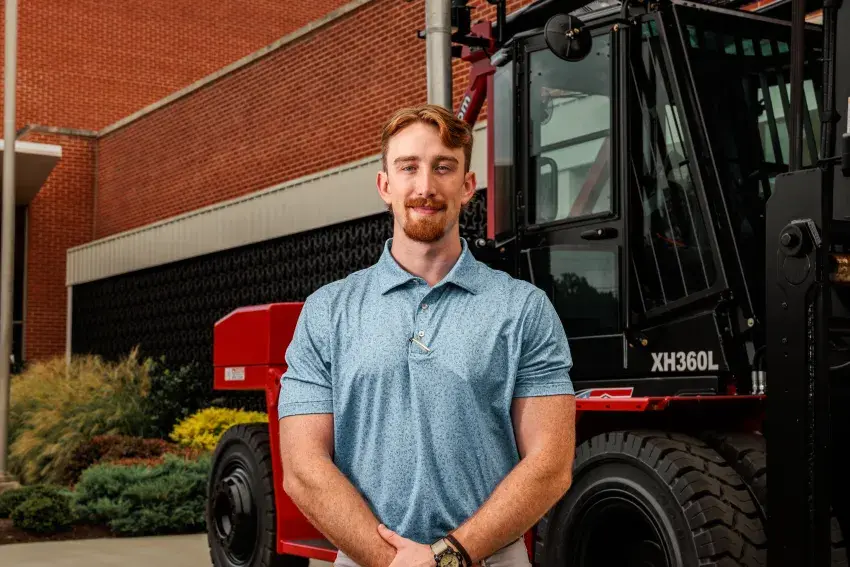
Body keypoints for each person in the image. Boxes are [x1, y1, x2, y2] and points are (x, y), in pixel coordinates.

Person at [277, 104, 576, 567]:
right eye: (408, 167)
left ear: (467, 185)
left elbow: (550, 465)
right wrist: (395, 562)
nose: (425, 187)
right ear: (384, 185)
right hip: (366, 560)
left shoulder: (523, 309)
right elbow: (303, 468)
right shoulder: (327, 311)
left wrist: (447, 558)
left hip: (489, 559)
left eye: (443, 167)